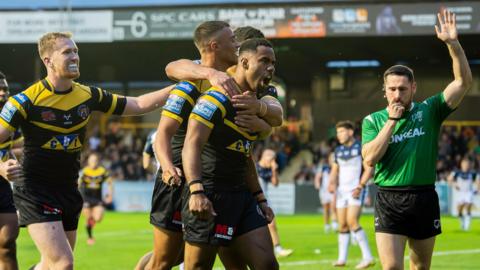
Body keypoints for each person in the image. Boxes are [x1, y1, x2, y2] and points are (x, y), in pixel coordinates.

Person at [0, 31, 174, 270]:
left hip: (69, 190)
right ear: (47, 60)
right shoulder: (24, 101)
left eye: (76, 51)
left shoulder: (88, 95)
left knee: (49, 265)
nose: (75, 56)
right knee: (63, 263)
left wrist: (181, 89)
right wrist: (1, 166)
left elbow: (139, 104)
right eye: (67, 52)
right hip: (35, 190)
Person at [361, 10, 472, 270]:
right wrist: (391, 122)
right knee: (391, 268)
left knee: (421, 267)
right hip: (389, 198)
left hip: (424, 197)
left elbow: (463, 82)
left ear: (413, 88)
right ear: (385, 91)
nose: (397, 94)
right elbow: (369, 159)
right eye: (392, 89)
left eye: (402, 88)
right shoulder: (373, 120)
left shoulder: (430, 110)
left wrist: (453, 44)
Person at [138, 20, 248, 270]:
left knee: (190, 255)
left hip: (213, 180)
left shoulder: (236, 78)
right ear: (214, 46)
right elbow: (163, 133)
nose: (238, 44)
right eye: (232, 39)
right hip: (178, 178)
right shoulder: (189, 83)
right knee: (166, 258)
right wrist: (166, 167)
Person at [182, 38, 278, 270]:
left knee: (267, 265)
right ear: (244, 62)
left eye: (273, 62)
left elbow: (244, 155)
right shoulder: (215, 99)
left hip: (242, 197)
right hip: (210, 195)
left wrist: (260, 198)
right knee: (197, 266)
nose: (271, 67)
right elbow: (191, 145)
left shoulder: (256, 102)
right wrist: (196, 190)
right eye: (264, 61)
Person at [329, 121, 374, 269]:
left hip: (356, 189)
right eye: (337, 132)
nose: (339, 135)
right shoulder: (338, 150)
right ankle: (342, 260)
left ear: (350, 132)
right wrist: (331, 183)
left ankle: (368, 258)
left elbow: (369, 170)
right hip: (342, 192)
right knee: (342, 225)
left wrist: (360, 186)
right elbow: (335, 170)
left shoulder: (361, 147)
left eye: (341, 132)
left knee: (352, 221)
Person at [0, 71, 23, 270]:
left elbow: (17, 149)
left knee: (8, 243)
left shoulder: (10, 120)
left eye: (5, 89)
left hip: (2, 186)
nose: (2, 93)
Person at [257, 148, 293, 257]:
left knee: (272, 224)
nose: (273, 162)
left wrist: (274, 170)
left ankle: (277, 248)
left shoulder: (269, 170)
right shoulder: (254, 167)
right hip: (253, 199)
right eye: (272, 159)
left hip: (265, 199)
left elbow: (275, 183)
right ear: (265, 156)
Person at [78, 152, 113, 245]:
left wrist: (110, 195)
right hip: (86, 199)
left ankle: (91, 221)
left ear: (98, 161)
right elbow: (77, 184)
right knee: (88, 218)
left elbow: (110, 182)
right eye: (92, 160)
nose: (94, 162)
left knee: (98, 218)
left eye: (95, 160)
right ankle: (90, 237)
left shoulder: (102, 171)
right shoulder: (84, 172)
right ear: (88, 161)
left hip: (97, 199)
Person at [447, 157, 479, 231]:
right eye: (464, 164)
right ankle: (462, 223)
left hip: (469, 192)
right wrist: (454, 184)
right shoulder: (457, 172)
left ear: (469, 165)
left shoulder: (473, 173)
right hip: (460, 193)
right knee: (459, 211)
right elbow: (449, 179)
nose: (466, 165)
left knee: (468, 206)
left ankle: (467, 227)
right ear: (461, 164)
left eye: (467, 164)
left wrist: (477, 189)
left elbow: (478, 180)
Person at [314, 153, 338, 233]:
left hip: (334, 190)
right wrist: (317, 184)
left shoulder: (338, 167)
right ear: (329, 159)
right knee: (326, 209)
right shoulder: (324, 167)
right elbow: (318, 176)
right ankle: (326, 225)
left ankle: (334, 223)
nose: (333, 159)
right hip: (324, 190)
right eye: (331, 158)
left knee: (333, 207)